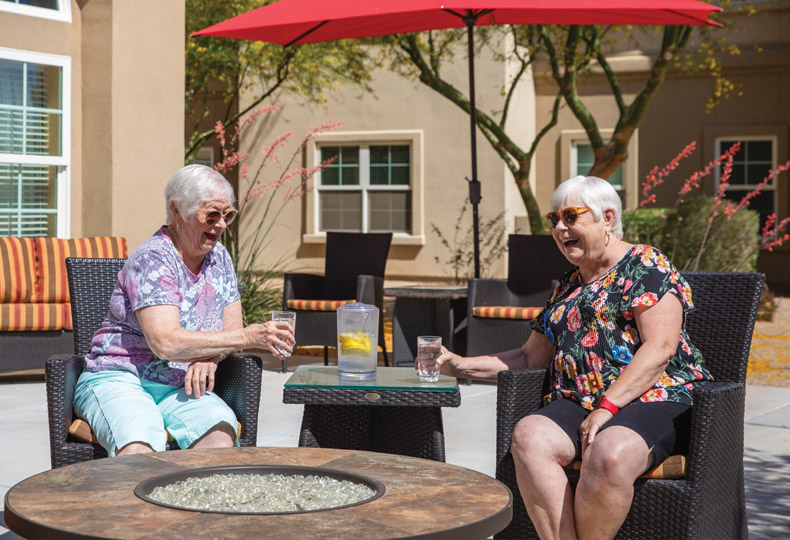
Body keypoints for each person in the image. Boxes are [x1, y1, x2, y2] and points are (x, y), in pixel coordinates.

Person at [435, 175, 713, 540]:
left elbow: (660, 349)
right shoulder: (569, 284)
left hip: (657, 396)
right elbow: (529, 357)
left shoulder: (646, 265)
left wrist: (607, 408)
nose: (560, 228)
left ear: (608, 217)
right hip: (582, 400)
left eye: (570, 216)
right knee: (529, 437)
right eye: (554, 220)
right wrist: (460, 363)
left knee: (609, 453)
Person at [74, 164, 294, 457]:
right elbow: (165, 342)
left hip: (180, 384)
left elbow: (230, 331)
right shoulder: (154, 258)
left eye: (227, 215)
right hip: (120, 377)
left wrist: (212, 358)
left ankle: (199, 504)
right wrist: (249, 337)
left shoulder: (220, 258)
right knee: (139, 444)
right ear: (177, 211)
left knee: (219, 435)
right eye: (211, 214)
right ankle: (137, 504)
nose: (221, 224)